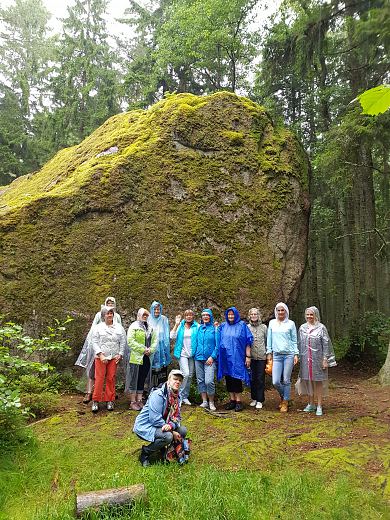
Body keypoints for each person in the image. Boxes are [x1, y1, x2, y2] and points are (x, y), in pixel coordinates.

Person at [133, 369, 188, 467]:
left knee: (182, 430)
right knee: (168, 436)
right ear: (169, 380)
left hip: (163, 425)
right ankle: (145, 453)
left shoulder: (177, 397)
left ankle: (165, 452)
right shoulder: (158, 394)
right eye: (175, 379)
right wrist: (172, 431)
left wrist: (171, 425)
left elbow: (177, 417)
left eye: (180, 380)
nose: (177, 382)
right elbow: (154, 419)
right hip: (146, 425)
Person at [75, 296, 122, 404]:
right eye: (108, 303)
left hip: (112, 349)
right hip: (97, 348)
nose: (110, 305)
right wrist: (95, 348)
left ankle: (109, 394)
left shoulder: (117, 317)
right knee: (94, 372)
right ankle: (89, 392)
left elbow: (120, 331)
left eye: (112, 303)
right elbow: (93, 330)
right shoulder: (99, 315)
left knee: (111, 373)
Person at [297, 306, 337, 416]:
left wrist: (325, 359)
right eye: (307, 314)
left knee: (318, 381)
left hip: (318, 359)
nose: (309, 316)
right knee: (308, 381)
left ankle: (319, 405)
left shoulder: (321, 328)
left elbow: (326, 343)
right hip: (306, 359)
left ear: (315, 315)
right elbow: (300, 343)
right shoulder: (302, 328)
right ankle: (311, 403)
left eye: (311, 314)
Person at [90, 306, 126, 413]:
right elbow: (94, 342)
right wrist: (100, 355)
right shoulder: (98, 327)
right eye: (107, 313)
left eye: (111, 313)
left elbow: (123, 341)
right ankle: (96, 400)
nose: (110, 315)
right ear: (103, 315)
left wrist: (120, 354)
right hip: (101, 357)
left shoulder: (119, 327)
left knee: (111, 378)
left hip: (113, 357)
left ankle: (110, 399)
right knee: (99, 378)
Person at [217, 306, 253, 412]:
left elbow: (248, 341)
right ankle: (232, 400)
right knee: (228, 378)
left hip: (237, 357)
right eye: (229, 314)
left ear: (236, 315)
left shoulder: (242, 325)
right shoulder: (223, 326)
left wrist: (248, 356)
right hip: (225, 356)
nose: (231, 316)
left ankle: (238, 401)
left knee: (236, 377)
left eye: (232, 314)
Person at [266, 302, 298, 413]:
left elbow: (294, 340)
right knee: (275, 381)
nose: (280, 312)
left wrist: (296, 354)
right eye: (278, 310)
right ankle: (286, 397)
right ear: (276, 311)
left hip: (288, 354)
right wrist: (269, 353)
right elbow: (269, 339)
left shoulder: (291, 324)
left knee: (286, 379)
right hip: (276, 355)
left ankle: (284, 402)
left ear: (286, 311)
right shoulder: (272, 323)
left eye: (282, 310)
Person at [126, 308, 157, 411]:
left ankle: (140, 400)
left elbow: (154, 341)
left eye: (146, 315)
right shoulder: (133, 326)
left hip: (146, 357)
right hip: (136, 358)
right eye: (143, 314)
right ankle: (132, 401)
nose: (145, 316)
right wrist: (143, 349)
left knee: (142, 378)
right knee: (134, 379)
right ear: (139, 315)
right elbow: (130, 341)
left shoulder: (150, 328)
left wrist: (151, 350)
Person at [171, 309, 199, 405]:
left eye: (191, 315)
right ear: (184, 316)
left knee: (190, 375)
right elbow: (172, 336)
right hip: (182, 353)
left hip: (192, 354)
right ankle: (179, 396)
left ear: (193, 316)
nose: (189, 317)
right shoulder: (181, 326)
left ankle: (185, 396)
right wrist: (176, 324)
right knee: (185, 374)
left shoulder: (196, 326)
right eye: (187, 315)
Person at [194, 308, 219, 411]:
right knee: (200, 380)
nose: (205, 317)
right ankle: (204, 401)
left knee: (209, 381)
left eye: (207, 315)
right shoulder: (199, 328)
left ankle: (211, 402)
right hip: (198, 358)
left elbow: (218, 345)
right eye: (203, 315)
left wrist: (212, 357)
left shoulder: (215, 328)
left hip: (210, 359)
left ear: (210, 316)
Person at [247, 308, 267, 410]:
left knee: (260, 378)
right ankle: (254, 398)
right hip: (251, 357)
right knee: (252, 378)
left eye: (256, 314)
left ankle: (260, 399)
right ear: (249, 316)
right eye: (252, 314)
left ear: (258, 315)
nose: (254, 316)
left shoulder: (264, 327)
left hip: (262, 356)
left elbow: (267, 340)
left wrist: (268, 354)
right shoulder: (247, 327)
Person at [148, 301, 171, 386]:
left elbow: (166, 333)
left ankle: (161, 387)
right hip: (151, 346)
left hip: (162, 347)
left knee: (162, 368)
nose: (157, 311)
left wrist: (166, 346)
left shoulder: (164, 319)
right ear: (152, 310)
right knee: (151, 368)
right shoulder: (149, 318)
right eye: (155, 309)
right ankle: (150, 388)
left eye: (158, 309)